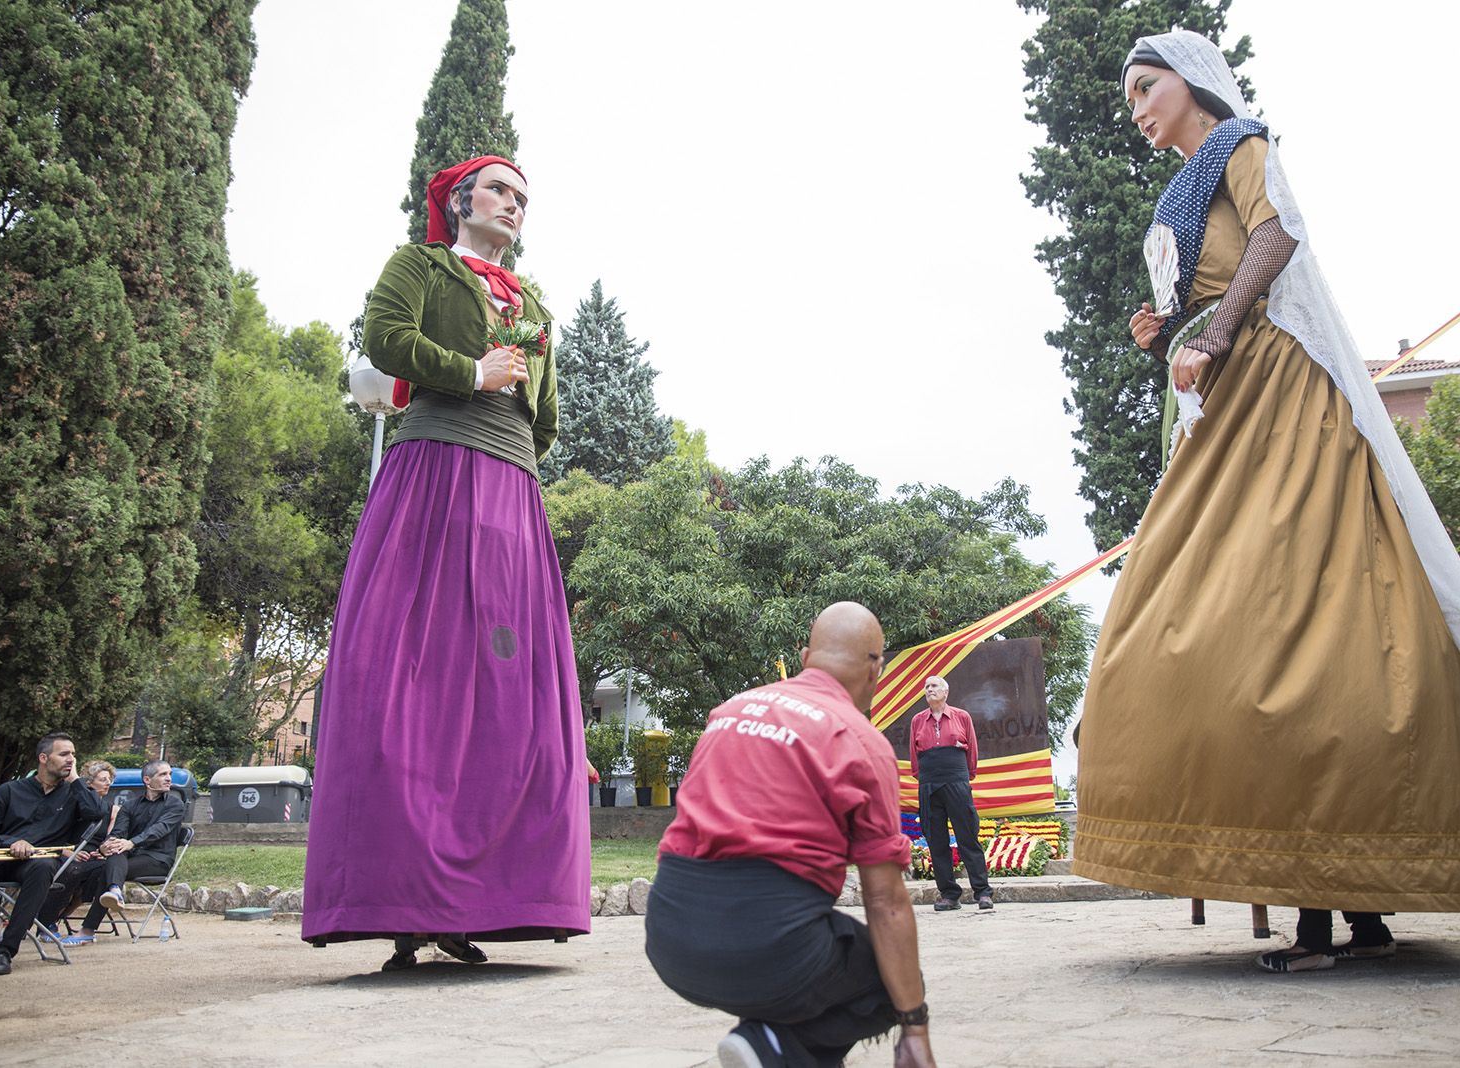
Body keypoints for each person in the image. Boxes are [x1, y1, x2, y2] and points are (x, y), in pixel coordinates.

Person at [1073, 29, 1460, 973]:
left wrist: (1217, 333)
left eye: (1147, 87)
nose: (1137, 109)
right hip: (1224, 399)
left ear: (1190, 80)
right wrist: (1168, 331)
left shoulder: (1240, 142)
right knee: (1185, 622)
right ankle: (1342, 909)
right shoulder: (1181, 189)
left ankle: (1338, 916)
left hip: (1280, 386)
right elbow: (1214, 284)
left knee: (1300, 614)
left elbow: (1280, 235)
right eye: (1128, 98)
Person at [302, 154, 590, 970]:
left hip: (511, 497)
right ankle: (405, 906)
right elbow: (385, 340)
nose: (514, 205)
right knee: (410, 681)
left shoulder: (535, 304)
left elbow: (546, 416)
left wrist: (510, 452)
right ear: (460, 201)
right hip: (432, 476)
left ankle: (481, 906)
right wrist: (471, 374)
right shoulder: (420, 266)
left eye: (523, 198)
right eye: (499, 190)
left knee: (507, 696)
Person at [646, 602, 937, 1068]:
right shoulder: (862, 742)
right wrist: (914, 1024)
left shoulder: (730, 711)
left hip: (669, 938)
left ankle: (775, 1049)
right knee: (891, 979)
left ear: (805, 658)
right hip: (771, 949)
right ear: (875, 668)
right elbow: (886, 902)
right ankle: (770, 1044)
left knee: (802, 977)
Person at [0, 733, 107, 975]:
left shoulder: (73, 794)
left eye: (73, 755)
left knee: (43, 868)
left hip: (36, 864)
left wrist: (75, 779)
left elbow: (97, 813)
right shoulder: (9, 790)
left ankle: (4, 951)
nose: (71, 759)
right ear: (43, 758)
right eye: (64, 754)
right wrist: (12, 842)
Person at [58, 760, 184, 947]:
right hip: (127, 858)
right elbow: (117, 833)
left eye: (170, 774)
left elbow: (160, 829)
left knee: (107, 868)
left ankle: (88, 929)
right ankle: (114, 892)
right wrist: (105, 847)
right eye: (163, 774)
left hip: (157, 859)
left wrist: (131, 842)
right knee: (113, 854)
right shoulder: (130, 805)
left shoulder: (175, 804)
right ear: (147, 780)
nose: (168, 779)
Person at [908, 675, 992, 912]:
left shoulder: (961, 716)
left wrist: (965, 776)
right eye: (926, 687)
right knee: (936, 841)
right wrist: (924, 778)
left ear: (945, 692)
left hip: (956, 781)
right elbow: (914, 755)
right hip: (929, 784)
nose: (929, 689)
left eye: (934, 686)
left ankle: (983, 892)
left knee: (967, 837)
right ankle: (949, 895)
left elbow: (972, 749)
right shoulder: (917, 720)